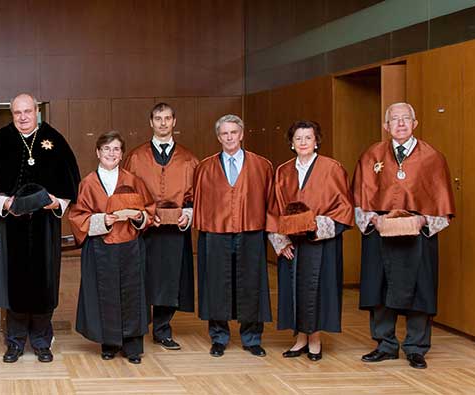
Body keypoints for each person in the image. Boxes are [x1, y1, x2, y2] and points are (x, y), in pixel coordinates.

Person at [0, 93, 80, 363]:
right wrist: (4, 203)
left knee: (44, 282)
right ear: (12, 113)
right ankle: (15, 342)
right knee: (13, 283)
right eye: (17, 112)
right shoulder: (0, 140)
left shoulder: (54, 139)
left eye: (27, 111)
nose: (22, 117)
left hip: (45, 226)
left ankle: (42, 341)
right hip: (11, 226)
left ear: (36, 111)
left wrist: (57, 202)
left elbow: (71, 183)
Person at [353, 102, 455, 369]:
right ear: (386, 126)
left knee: (420, 288)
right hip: (381, 230)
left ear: (415, 123)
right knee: (380, 286)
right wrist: (373, 219)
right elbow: (360, 198)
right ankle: (384, 344)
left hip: (418, 233)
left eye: (405, 119)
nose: (400, 124)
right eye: (394, 119)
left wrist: (424, 219)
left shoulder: (432, 157)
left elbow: (442, 201)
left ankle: (416, 347)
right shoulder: (371, 155)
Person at [266, 120, 354, 361]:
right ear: (292, 143)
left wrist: (316, 226)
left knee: (318, 290)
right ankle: (300, 338)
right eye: (298, 138)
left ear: (317, 141)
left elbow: (344, 206)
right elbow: (274, 208)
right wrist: (280, 242)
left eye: (308, 138)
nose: (303, 142)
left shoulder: (332, 168)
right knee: (293, 289)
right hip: (292, 243)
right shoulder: (283, 171)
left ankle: (315, 339)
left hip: (321, 242)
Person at [193, 114, 274, 358]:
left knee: (252, 283)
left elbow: (270, 201)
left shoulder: (262, 165)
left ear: (242, 134)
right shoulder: (205, 167)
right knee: (216, 283)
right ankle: (219, 337)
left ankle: (251, 338)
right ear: (219, 137)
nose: (229, 137)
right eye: (225, 133)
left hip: (251, 232)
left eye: (233, 132)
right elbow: (198, 202)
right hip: (216, 232)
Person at [68, 131, 152, 364]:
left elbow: (149, 211)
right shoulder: (87, 183)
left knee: (132, 295)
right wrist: (102, 221)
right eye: (107, 149)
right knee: (105, 294)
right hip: (100, 247)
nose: (111, 153)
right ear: (98, 152)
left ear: (122, 153)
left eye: (116, 149)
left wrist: (138, 216)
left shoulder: (133, 180)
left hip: (130, 246)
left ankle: (133, 345)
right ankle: (110, 343)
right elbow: (77, 216)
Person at [123, 102, 198, 351]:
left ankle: (163, 329)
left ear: (174, 122)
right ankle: (137, 328)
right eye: (158, 118)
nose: (163, 123)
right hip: (144, 230)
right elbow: (125, 192)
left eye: (167, 118)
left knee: (170, 279)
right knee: (142, 277)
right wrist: (140, 215)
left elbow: (196, 195)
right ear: (151, 123)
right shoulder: (135, 157)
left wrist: (188, 214)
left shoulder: (188, 158)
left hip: (174, 231)